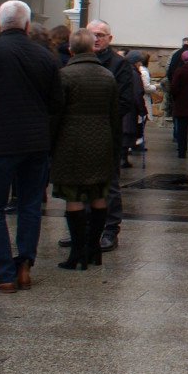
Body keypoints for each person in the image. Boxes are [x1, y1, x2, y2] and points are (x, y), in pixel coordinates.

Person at [0, 0, 63, 292]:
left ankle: (4, 272)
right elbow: (57, 103)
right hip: (35, 142)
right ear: (27, 24)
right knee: (29, 205)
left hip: (0, 140)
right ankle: (24, 265)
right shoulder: (44, 56)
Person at [51, 29, 119, 270]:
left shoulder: (64, 76)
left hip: (71, 142)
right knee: (99, 194)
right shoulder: (107, 76)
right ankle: (94, 249)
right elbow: (114, 114)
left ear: (71, 50)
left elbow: (55, 113)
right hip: (102, 140)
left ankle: (77, 252)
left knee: (74, 196)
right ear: (92, 48)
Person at [84, 20, 133, 254]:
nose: (96, 38)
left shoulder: (119, 64)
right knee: (81, 182)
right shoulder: (79, 60)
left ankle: (110, 230)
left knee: (109, 183)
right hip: (80, 133)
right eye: (92, 34)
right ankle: (83, 229)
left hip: (107, 132)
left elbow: (125, 101)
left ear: (109, 38)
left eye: (101, 34)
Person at [120, 50, 148, 167]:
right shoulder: (134, 74)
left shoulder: (124, 70)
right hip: (130, 109)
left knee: (124, 132)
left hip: (124, 107)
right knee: (127, 133)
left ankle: (123, 158)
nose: (140, 65)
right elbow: (137, 93)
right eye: (139, 63)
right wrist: (142, 110)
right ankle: (123, 159)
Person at [170, 51, 188, 158]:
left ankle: (181, 151)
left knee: (182, 130)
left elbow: (174, 87)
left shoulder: (180, 71)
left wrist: (175, 98)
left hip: (181, 104)